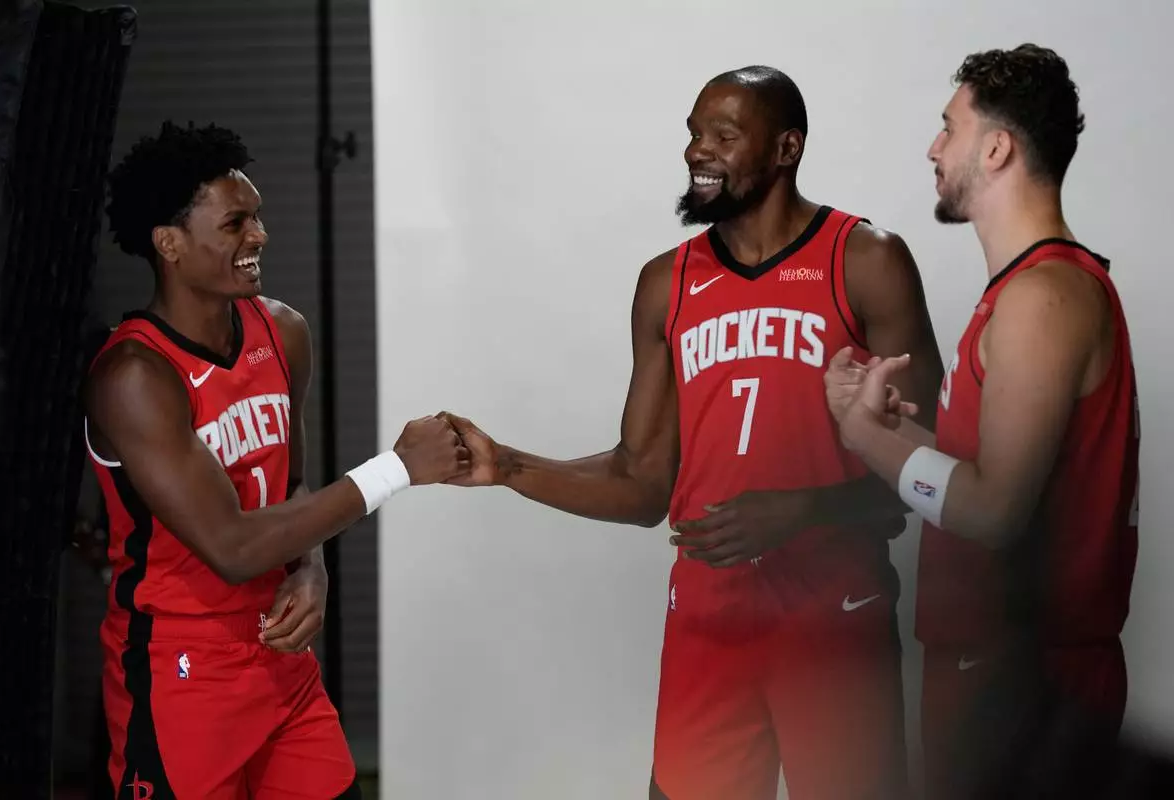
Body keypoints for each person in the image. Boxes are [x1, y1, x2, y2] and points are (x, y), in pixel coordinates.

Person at [442, 66, 945, 799]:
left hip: (834, 624)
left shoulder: (866, 260)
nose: (697, 151)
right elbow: (642, 482)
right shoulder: (666, 283)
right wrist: (508, 466)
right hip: (709, 626)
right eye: (693, 133)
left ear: (787, 148)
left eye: (724, 136)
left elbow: (932, 469)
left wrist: (805, 509)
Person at [84, 121, 468, 799]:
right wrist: (397, 468)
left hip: (278, 658)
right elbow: (232, 547)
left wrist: (311, 569)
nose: (258, 236)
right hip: (180, 671)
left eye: (256, 217)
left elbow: (292, 489)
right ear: (169, 244)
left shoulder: (282, 331)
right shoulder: (135, 377)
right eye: (234, 223)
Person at [828, 44, 1140, 799]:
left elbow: (995, 511)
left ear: (996, 149)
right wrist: (885, 428)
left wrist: (864, 438)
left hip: (1029, 679)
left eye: (949, 126)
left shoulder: (1043, 297)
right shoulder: (1023, 292)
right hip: (990, 668)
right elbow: (975, 476)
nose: (933, 147)